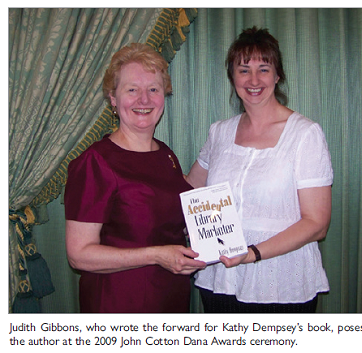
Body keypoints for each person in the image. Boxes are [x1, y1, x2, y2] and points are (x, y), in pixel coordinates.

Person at [186, 27, 333, 313]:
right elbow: (191, 189)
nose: (254, 80)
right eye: (244, 70)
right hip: (221, 279)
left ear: (277, 76)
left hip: (281, 283)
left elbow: (317, 223)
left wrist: (252, 254)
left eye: (263, 69)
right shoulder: (219, 132)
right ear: (232, 76)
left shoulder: (305, 134)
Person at [64, 43, 206, 313]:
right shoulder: (95, 162)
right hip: (120, 304)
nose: (144, 100)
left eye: (153, 89)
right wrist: (156, 254)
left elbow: (162, 219)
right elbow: (79, 255)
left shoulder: (166, 155)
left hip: (170, 297)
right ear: (113, 99)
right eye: (132, 90)